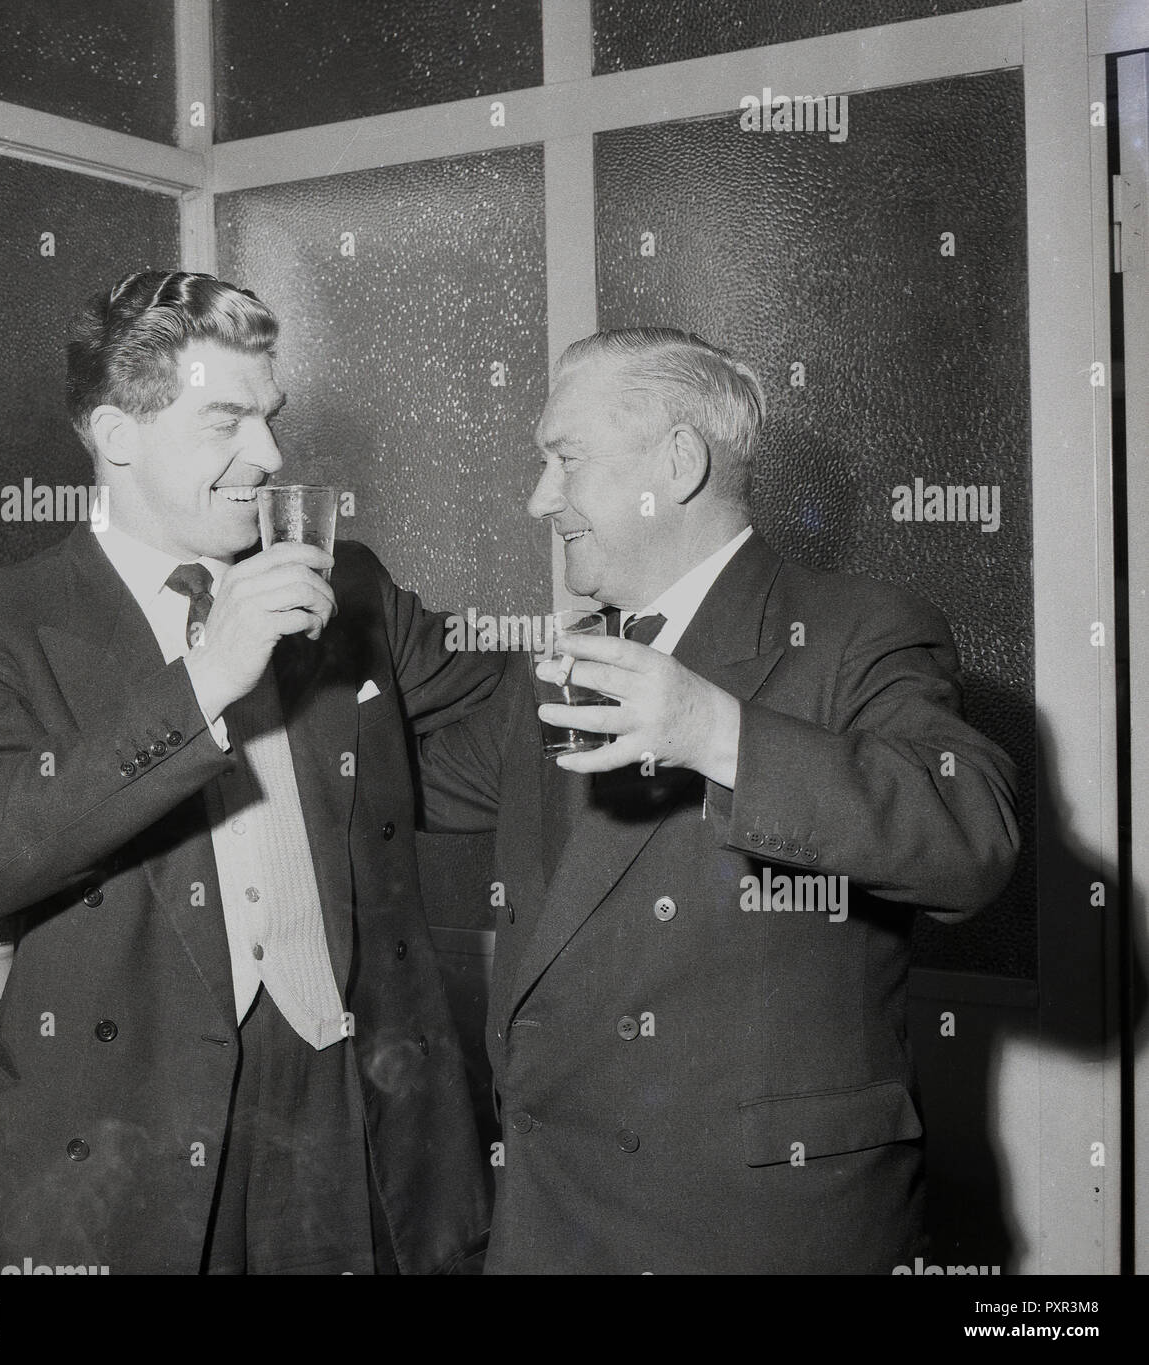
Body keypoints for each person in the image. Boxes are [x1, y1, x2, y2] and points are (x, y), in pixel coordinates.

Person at [0, 270, 497, 1275]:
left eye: (270, 418)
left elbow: (500, 731)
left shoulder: (343, 585)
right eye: (226, 420)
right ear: (116, 435)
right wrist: (210, 675)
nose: (268, 457)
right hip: (125, 1136)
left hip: (355, 1102)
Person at [420, 327, 1021, 1274]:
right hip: (552, 1229)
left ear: (680, 461)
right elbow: (388, 778)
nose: (541, 498)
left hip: (761, 1233)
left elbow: (972, 837)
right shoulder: (567, 663)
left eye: (563, 459)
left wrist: (715, 731)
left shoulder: (858, 629)